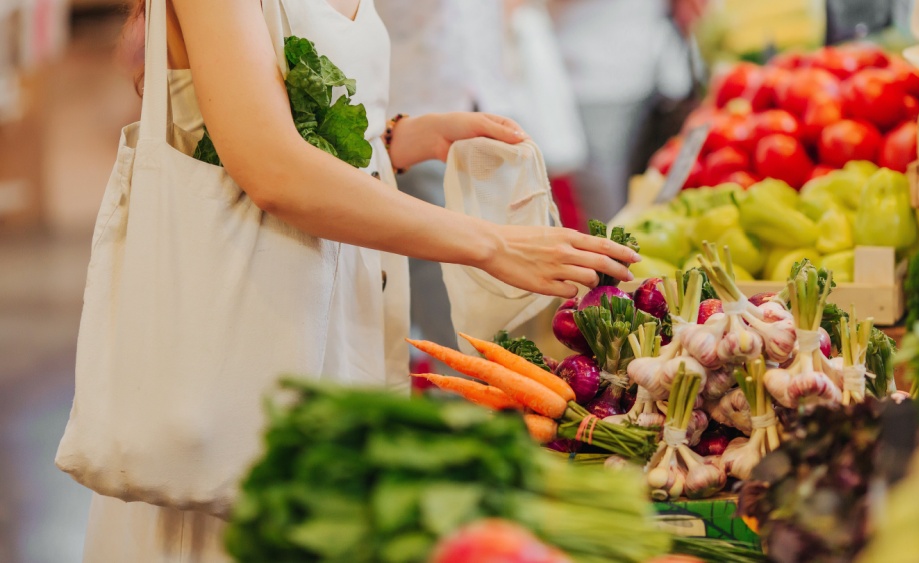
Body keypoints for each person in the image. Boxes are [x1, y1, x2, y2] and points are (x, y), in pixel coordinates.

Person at [77, 0, 638, 560]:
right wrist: (490, 244)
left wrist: (402, 137)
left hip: (330, 322)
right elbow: (271, 169)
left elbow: (294, 121)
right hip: (241, 335)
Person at [374, 0, 515, 363]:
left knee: (484, 278)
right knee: (441, 275)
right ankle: (457, 389)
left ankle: (475, 377)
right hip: (410, 107)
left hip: (485, 98)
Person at [549, 0, 706, 222]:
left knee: (618, 195)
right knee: (612, 195)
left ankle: (617, 250)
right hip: (599, 74)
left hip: (618, 73)